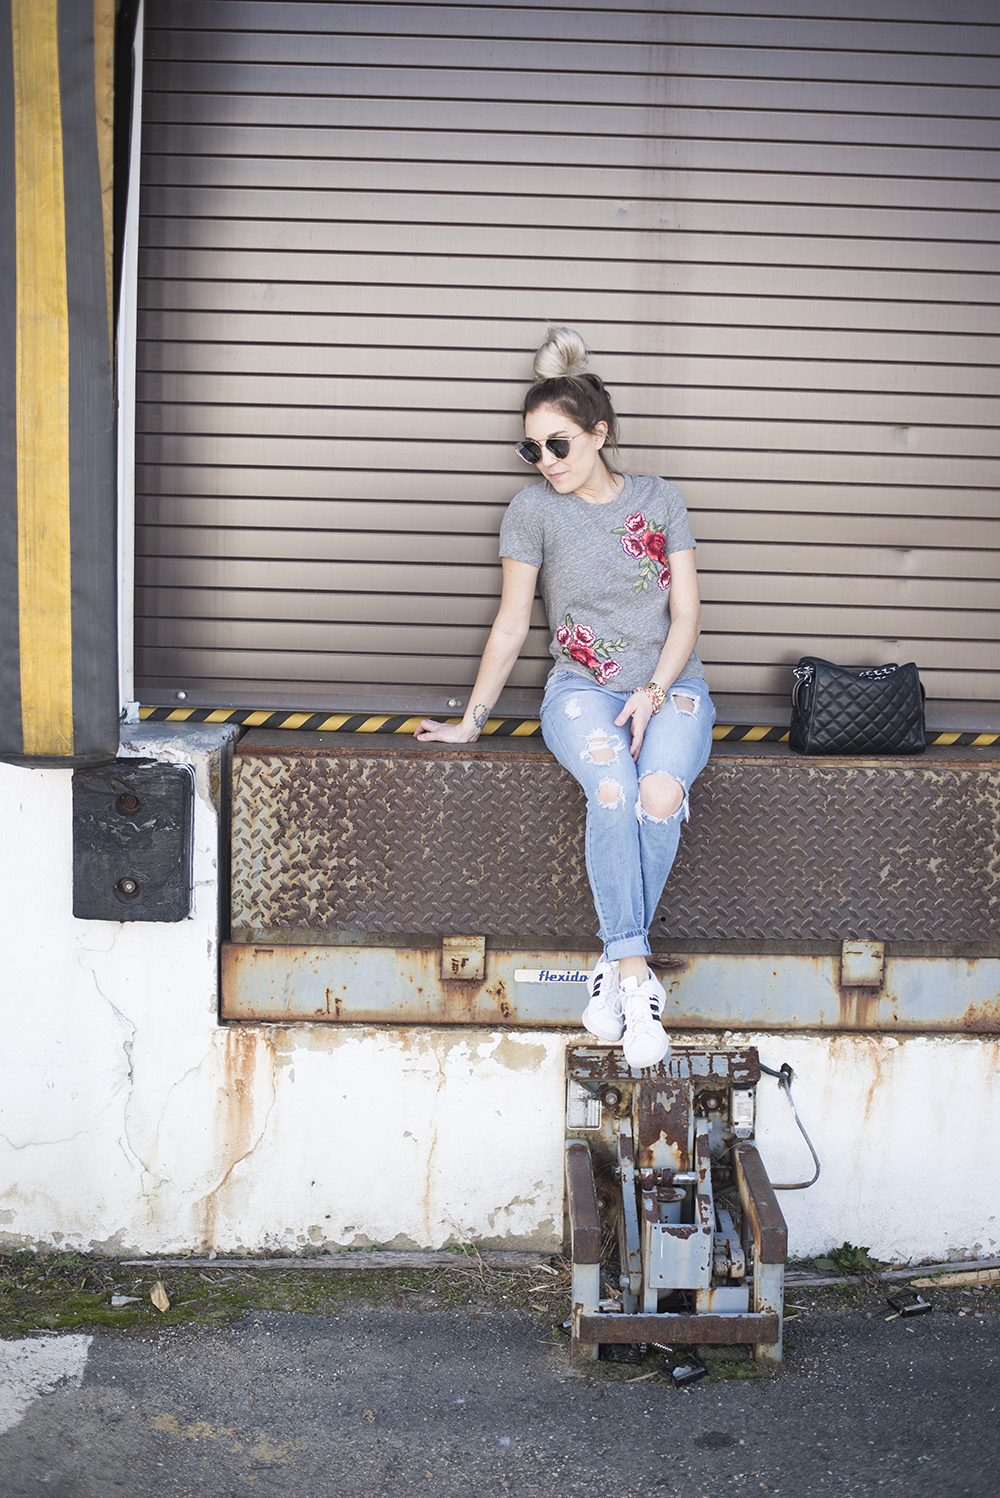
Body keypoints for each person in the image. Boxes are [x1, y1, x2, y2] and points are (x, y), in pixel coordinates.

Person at [415, 327, 714, 1068]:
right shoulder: (531, 512)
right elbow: (513, 624)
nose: (545, 462)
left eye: (559, 444)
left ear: (598, 434)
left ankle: (610, 968)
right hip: (580, 689)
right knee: (612, 787)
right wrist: (471, 723)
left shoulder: (661, 499)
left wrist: (651, 690)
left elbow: (687, 615)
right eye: (532, 449)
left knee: (658, 796)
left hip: (672, 686)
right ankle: (637, 979)